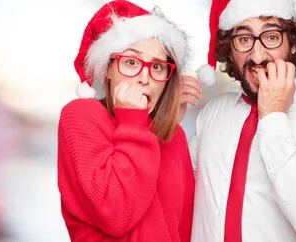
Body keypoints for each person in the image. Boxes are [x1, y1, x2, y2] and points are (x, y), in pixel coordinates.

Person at [189, 0, 296, 241]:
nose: (257, 56)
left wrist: (273, 116)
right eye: (244, 39)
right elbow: (178, 190)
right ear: (230, 51)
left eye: (271, 36)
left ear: (293, 44)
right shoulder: (213, 113)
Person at [57, 1, 195, 241]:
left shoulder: (174, 135)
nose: (144, 78)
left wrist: (162, 127)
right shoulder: (80, 115)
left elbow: (182, 227)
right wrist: (133, 122)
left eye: (158, 66)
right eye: (131, 62)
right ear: (108, 70)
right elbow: (115, 215)